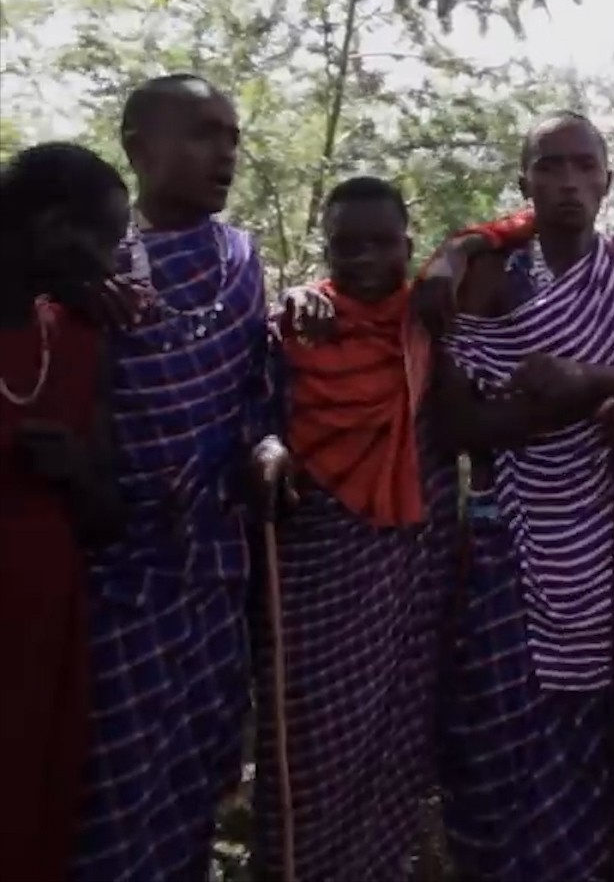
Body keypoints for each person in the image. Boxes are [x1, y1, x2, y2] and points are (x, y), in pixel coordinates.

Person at [433, 111, 614, 880]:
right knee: (522, 772)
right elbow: (459, 423)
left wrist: (595, 383)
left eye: (584, 166)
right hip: (519, 559)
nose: (567, 182)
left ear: (607, 182)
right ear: (523, 183)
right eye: (549, 167)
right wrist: (566, 406)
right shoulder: (484, 280)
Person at [69, 73, 287, 881]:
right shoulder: (95, 272)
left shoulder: (238, 261)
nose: (224, 152)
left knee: (194, 785)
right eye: (202, 133)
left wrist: (269, 448)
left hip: (213, 576)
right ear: (139, 149)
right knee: (112, 791)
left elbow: (259, 394)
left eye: (232, 136)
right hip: (123, 577)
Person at [247, 176, 450, 879]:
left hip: (409, 583)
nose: (364, 257)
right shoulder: (293, 330)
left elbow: (505, 234)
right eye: (345, 244)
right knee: (306, 754)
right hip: (317, 584)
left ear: (409, 245)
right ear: (324, 248)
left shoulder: (429, 326)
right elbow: (256, 420)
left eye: (381, 243)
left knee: (393, 757)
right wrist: (267, 449)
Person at [0, 143, 130, 882]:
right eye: (106, 239)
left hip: (43, 637)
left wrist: (78, 473)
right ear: (52, 226)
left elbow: (109, 513)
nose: (113, 263)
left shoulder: (76, 340)